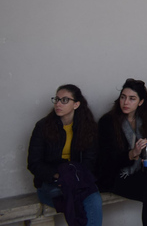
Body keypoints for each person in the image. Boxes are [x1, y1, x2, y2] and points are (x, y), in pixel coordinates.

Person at [28, 84, 102, 226]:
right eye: (57, 99)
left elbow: (90, 160)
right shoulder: (42, 126)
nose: (58, 104)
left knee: (94, 198)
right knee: (74, 199)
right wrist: (58, 175)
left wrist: (75, 176)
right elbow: (34, 163)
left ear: (76, 104)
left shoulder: (87, 128)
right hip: (51, 183)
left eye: (65, 100)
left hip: (77, 179)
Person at [98, 79, 147, 226]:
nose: (126, 102)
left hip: (138, 171)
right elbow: (107, 161)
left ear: (140, 102)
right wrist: (132, 154)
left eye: (132, 98)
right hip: (115, 176)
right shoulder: (107, 122)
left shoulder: (145, 121)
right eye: (123, 97)